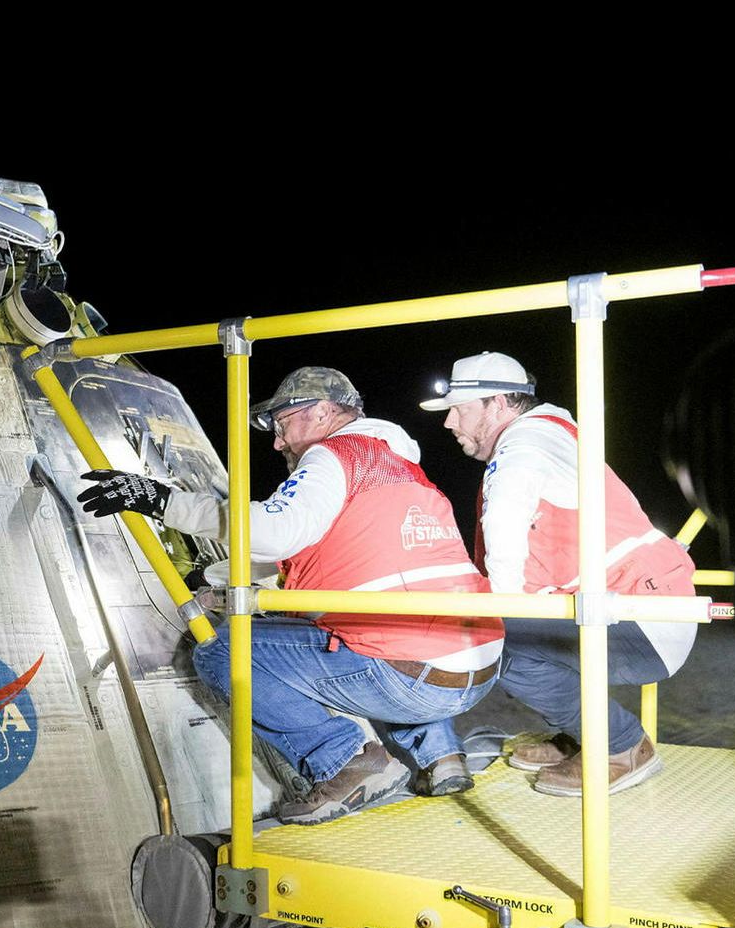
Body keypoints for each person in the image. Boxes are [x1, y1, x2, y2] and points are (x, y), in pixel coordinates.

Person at [78, 367, 503, 824]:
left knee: (222, 652)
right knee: (385, 632)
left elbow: (276, 533)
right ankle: (442, 759)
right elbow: (305, 560)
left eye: (283, 424)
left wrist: (161, 500)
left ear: (323, 412)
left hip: (410, 676)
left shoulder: (334, 455)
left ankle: (344, 760)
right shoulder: (398, 467)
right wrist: (219, 579)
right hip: (476, 665)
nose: (278, 442)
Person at [420, 351, 696, 795]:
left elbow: (505, 521)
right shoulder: (551, 435)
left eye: (459, 409)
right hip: (641, 602)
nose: (450, 422)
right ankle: (582, 736)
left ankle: (621, 746)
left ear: (498, 404)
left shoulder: (524, 445)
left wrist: (497, 611)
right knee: (513, 635)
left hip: (640, 613)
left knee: (497, 644)